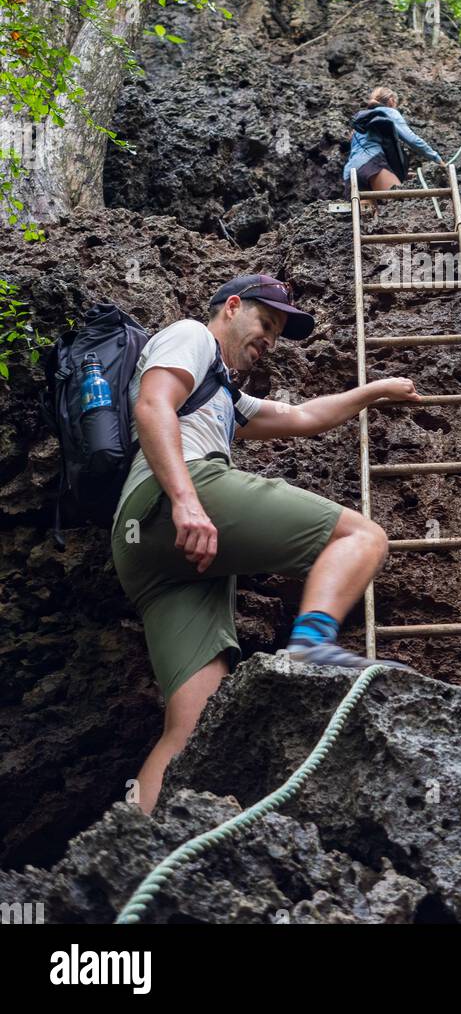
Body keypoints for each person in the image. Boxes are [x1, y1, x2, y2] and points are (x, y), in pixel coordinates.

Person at [110, 273, 417, 815]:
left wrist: (374, 392)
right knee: (359, 536)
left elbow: (301, 417)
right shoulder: (190, 336)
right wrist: (185, 501)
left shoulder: (224, 394)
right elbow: (153, 405)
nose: (269, 340)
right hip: (170, 500)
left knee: (191, 728)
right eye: (265, 324)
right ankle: (311, 644)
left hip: (156, 558)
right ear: (231, 307)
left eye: (276, 333)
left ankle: (127, 853)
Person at [343, 85, 443, 212]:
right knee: (399, 208)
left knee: (367, 219)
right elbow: (412, 139)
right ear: (391, 101)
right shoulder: (389, 112)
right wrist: (437, 159)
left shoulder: (363, 119)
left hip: (351, 173)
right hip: (372, 165)